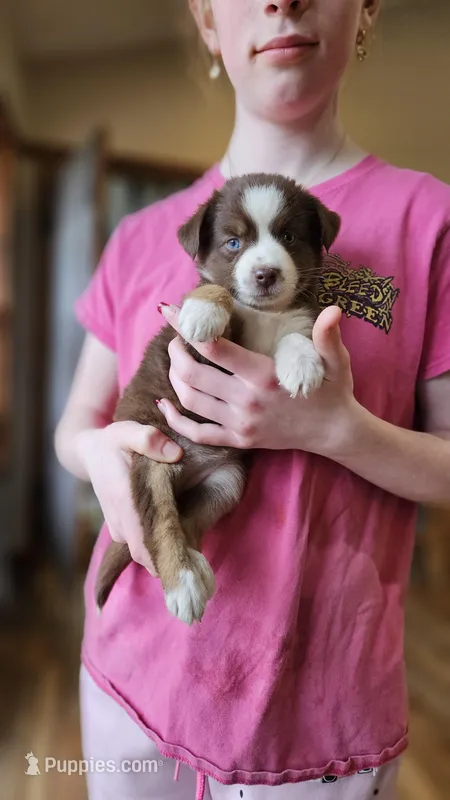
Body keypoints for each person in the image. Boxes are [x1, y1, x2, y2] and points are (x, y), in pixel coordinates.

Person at [55, 1, 450, 798]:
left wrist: (338, 430)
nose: (281, 0)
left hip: (318, 709)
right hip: (132, 675)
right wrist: (100, 455)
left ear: (368, 10)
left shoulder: (428, 221)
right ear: (207, 23)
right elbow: (76, 428)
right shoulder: (139, 237)